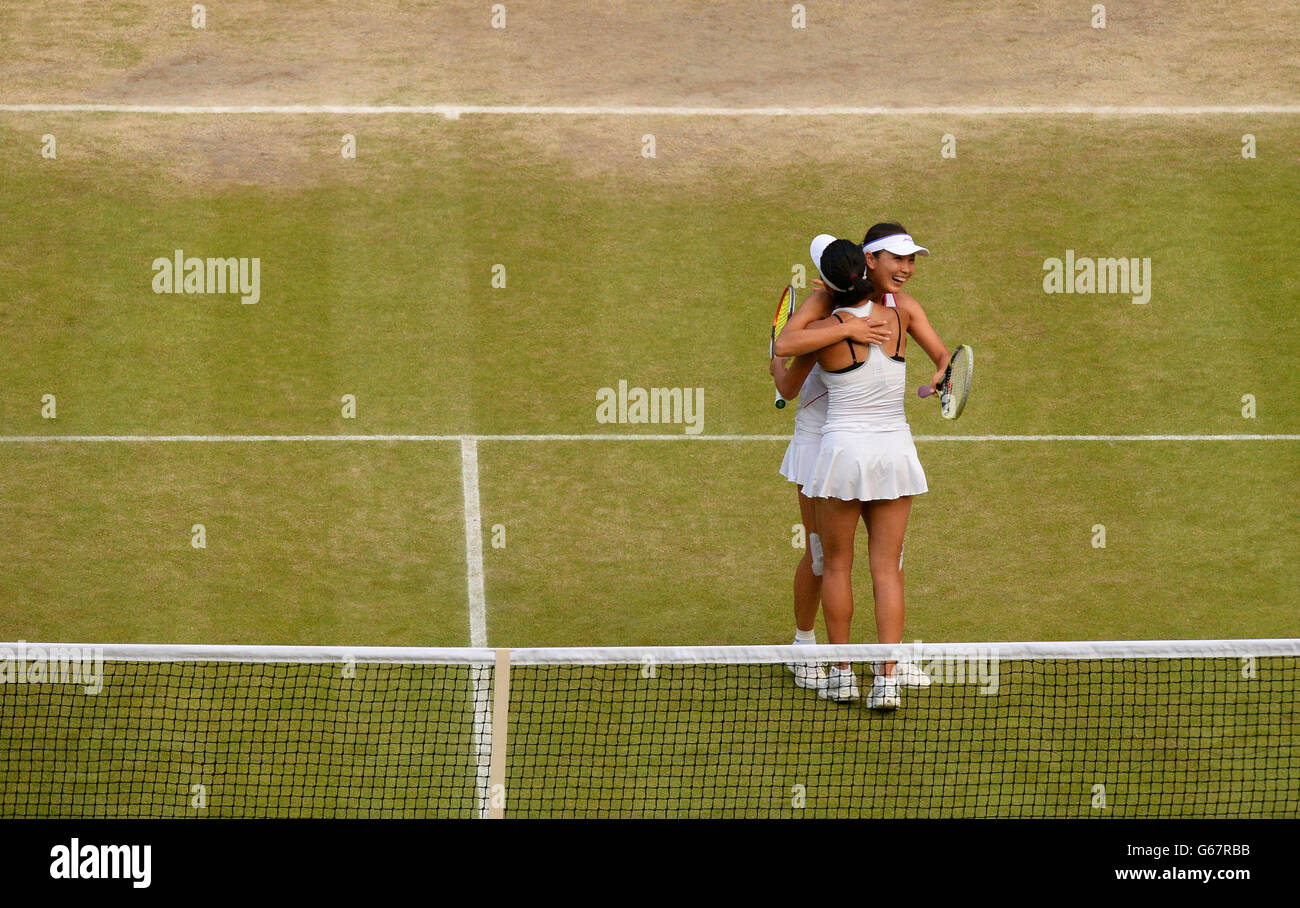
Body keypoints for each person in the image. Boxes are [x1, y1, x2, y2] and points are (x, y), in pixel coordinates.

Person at [779, 225, 953, 709]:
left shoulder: (819, 328)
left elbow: (785, 357)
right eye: (898, 259)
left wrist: (837, 326)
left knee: (835, 565)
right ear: (867, 265)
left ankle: (840, 674)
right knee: (888, 570)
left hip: (843, 454)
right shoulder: (899, 319)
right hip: (894, 452)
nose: (906, 268)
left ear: (830, 282)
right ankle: (888, 677)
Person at [769, 268, 891, 690]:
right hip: (816, 449)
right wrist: (777, 366)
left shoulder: (884, 304)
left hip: (865, 449)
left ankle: (884, 663)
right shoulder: (820, 315)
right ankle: (803, 647)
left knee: (889, 560)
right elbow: (787, 374)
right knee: (822, 556)